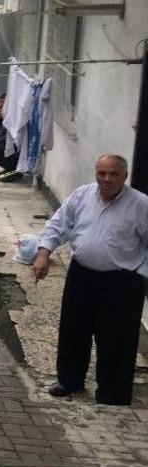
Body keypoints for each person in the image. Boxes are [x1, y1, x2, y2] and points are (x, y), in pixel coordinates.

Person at [32, 155, 148, 405]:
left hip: (122, 281)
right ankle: (69, 380)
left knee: (117, 337)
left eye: (113, 174)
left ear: (124, 176)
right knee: (74, 329)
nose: (106, 180)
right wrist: (43, 252)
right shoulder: (83, 195)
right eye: (102, 173)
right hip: (82, 274)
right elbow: (58, 225)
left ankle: (113, 393)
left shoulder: (140, 204)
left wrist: (141, 273)